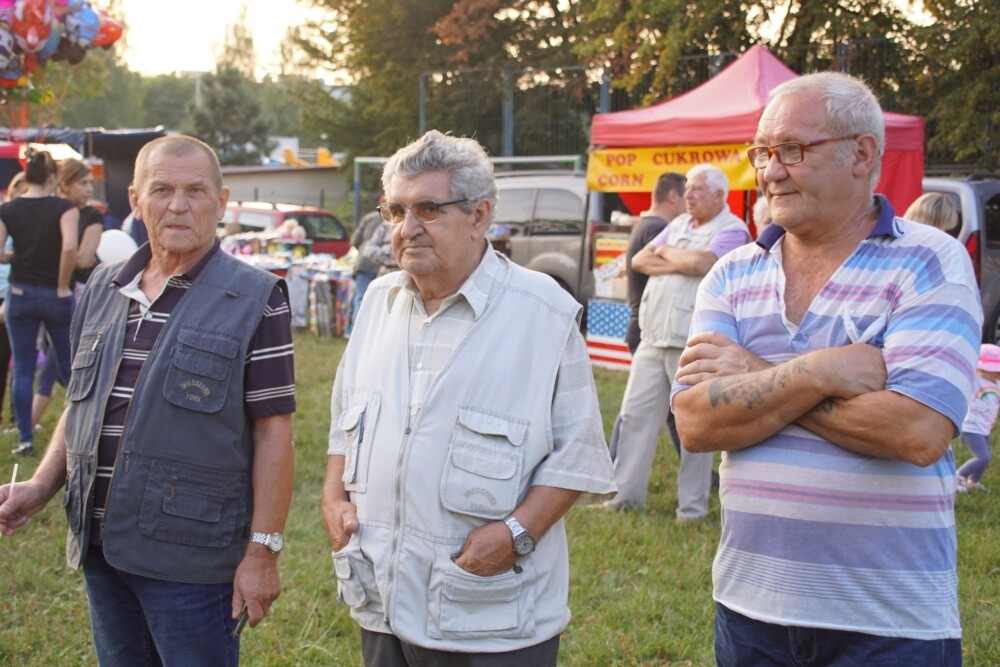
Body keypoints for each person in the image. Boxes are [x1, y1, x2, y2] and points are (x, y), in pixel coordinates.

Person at [672, 72, 980, 666]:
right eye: (762, 152)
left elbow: (917, 431)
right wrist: (818, 372)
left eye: (792, 149)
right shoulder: (732, 273)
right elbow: (696, 424)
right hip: (749, 611)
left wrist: (752, 373)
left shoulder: (929, 261)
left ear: (860, 154)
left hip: (887, 622)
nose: (770, 171)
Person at [0, 135, 297, 665]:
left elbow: (273, 433)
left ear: (221, 202)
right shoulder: (102, 288)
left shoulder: (257, 299)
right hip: (100, 547)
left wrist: (262, 552)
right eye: (161, 190)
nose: (178, 205)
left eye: (195, 190)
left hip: (191, 560)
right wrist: (42, 485)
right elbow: (83, 404)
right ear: (135, 201)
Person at [322, 130, 616, 666]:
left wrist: (516, 534)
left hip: (489, 613)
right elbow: (345, 417)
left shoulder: (543, 311)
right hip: (381, 598)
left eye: (428, 209)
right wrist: (332, 498)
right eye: (396, 211)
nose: (407, 228)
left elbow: (578, 454)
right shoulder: (378, 303)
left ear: (479, 216)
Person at [606, 164, 749, 518]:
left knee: (693, 426)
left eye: (698, 189)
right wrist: (679, 260)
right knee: (634, 417)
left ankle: (692, 508)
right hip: (653, 338)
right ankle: (624, 498)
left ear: (720, 195)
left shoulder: (733, 229)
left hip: (693, 345)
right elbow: (640, 260)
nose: (689, 195)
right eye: (687, 189)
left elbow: (703, 262)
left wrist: (667, 253)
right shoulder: (680, 224)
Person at [0, 150, 79, 456]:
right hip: (54, 294)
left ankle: (25, 439)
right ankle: (79, 432)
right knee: (70, 367)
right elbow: (69, 247)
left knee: (23, 368)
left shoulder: (8, 209)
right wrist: (61, 284)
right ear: (52, 177)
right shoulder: (65, 208)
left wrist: (16, 256)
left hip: (20, 293)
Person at [606, 173, 686, 462]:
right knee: (641, 410)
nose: (689, 204)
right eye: (686, 196)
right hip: (650, 329)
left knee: (658, 408)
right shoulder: (659, 229)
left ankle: (613, 462)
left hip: (642, 326)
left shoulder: (647, 225)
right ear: (673, 196)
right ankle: (614, 462)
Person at [31, 158, 106, 431]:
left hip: (82, 296)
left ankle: (36, 427)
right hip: (51, 291)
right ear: (63, 184)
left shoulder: (91, 216)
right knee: (56, 363)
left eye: (90, 183)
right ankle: (31, 427)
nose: (89, 189)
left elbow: (85, 258)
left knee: (63, 363)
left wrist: (53, 256)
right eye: (83, 183)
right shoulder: (50, 211)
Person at [956, 344, 999, 492]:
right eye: (994, 370)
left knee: (986, 458)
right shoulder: (975, 381)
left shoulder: (997, 384)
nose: (997, 373)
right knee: (983, 457)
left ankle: (973, 482)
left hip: (984, 428)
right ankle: (958, 476)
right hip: (971, 428)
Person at [346, 195, 385, 336]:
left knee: (361, 298)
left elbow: (355, 241)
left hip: (364, 263)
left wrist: (363, 249)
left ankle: (356, 334)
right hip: (385, 266)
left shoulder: (368, 218)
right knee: (381, 301)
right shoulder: (397, 218)